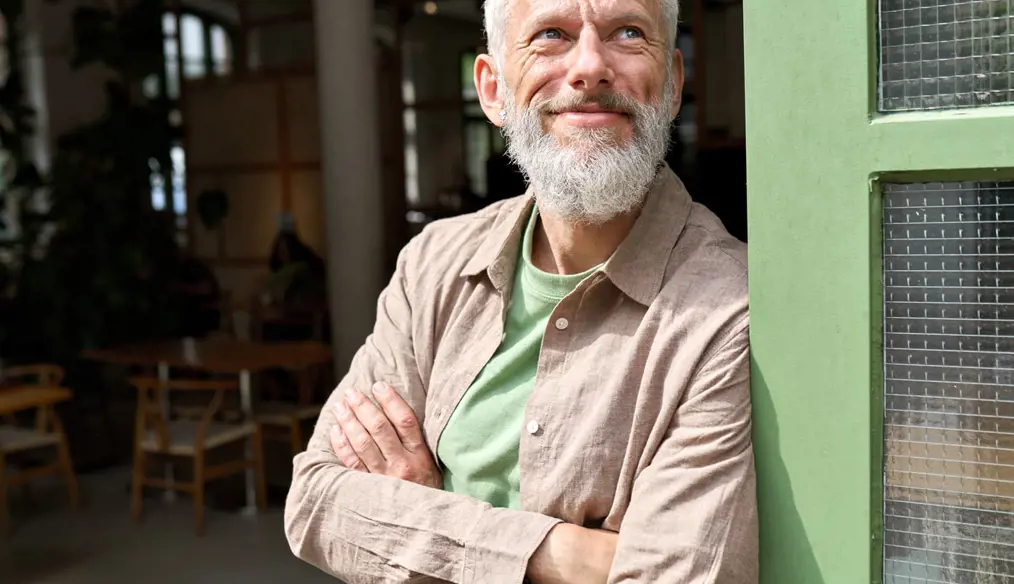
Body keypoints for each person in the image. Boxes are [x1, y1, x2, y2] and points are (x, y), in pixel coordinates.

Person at [285, 0, 757, 582]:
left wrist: (424, 515)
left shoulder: (729, 310)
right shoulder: (433, 263)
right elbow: (314, 500)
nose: (590, 66)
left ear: (673, 83)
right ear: (492, 89)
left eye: (628, 32)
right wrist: (571, 555)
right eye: (551, 34)